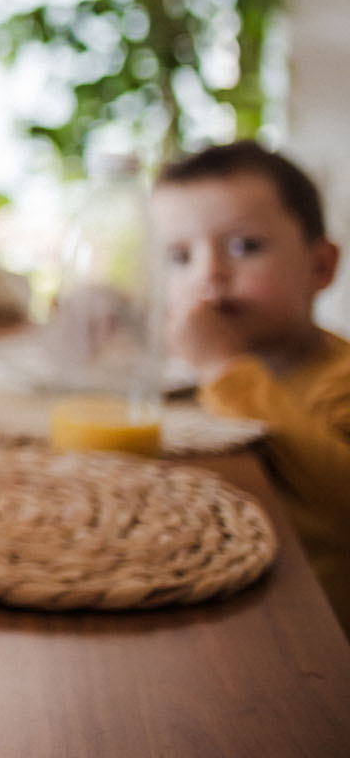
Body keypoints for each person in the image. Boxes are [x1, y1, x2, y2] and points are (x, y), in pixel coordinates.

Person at [151, 141, 349, 631]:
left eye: (245, 246)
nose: (209, 274)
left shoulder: (340, 379)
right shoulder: (187, 377)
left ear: (320, 267)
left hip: (310, 636)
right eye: (180, 256)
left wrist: (222, 365)